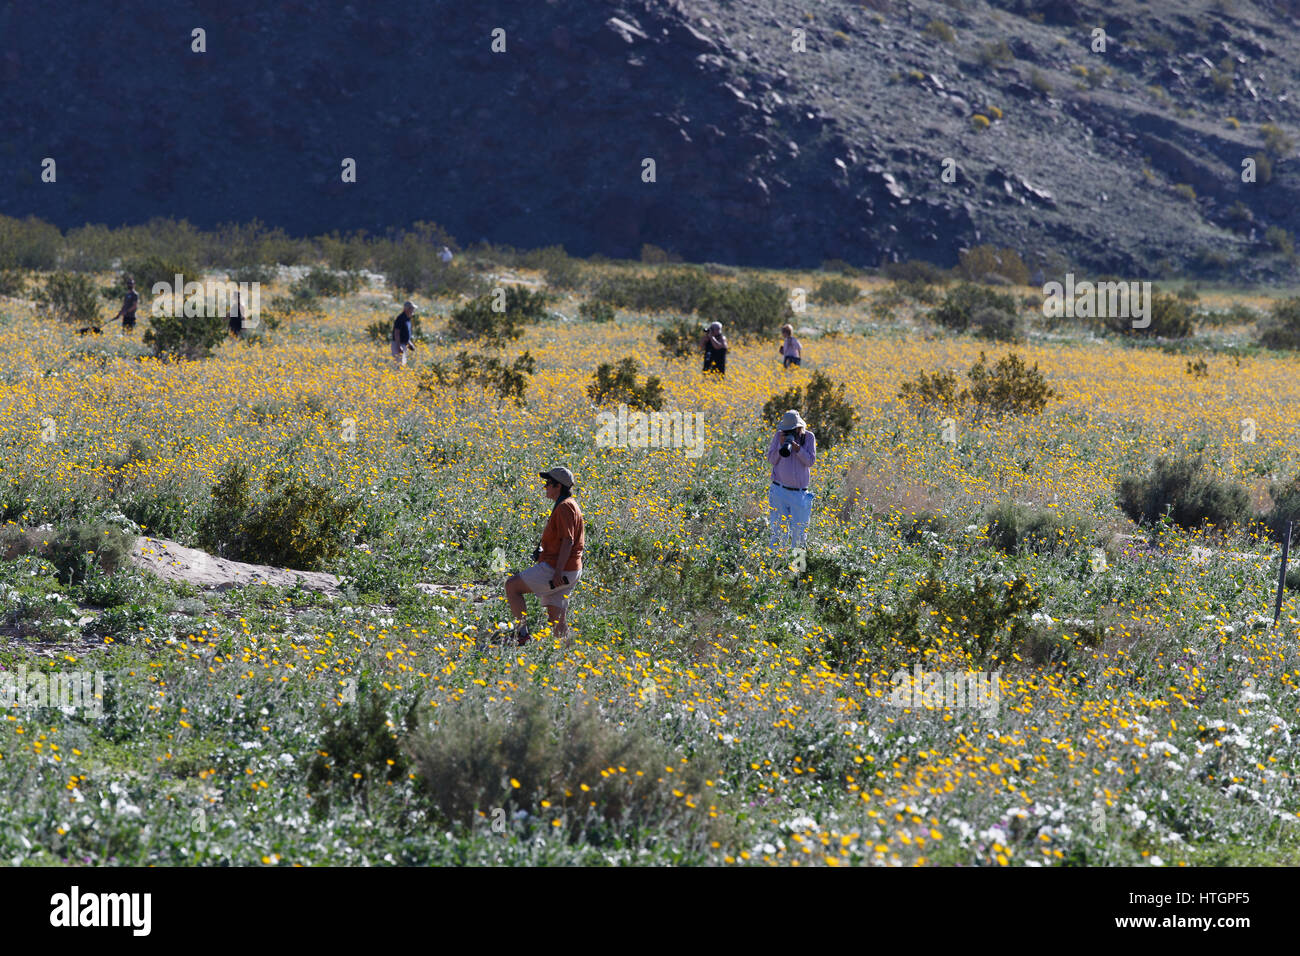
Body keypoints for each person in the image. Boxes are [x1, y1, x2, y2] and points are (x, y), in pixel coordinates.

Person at [501, 466, 585, 646]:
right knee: (557, 622)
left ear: (558, 487)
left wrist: (557, 571)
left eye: (548, 483)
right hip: (570, 571)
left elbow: (567, 541)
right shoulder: (569, 504)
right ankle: (565, 654)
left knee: (512, 586)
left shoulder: (564, 507)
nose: (545, 487)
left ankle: (522, 635)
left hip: (558, 569)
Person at [766, 409, 816, 548]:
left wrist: (798, 449)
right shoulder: (778, 436)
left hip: (799, 494)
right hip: (779, 491)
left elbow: (810, 461)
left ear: (799, 427)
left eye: (792, 430)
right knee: (777, 533)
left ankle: (798, 567)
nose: (789, 432)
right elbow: (771, 459)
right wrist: (781, 445)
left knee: (799, 535)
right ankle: (773, 566)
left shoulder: (809, 437)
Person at [392, 300, 415, 367]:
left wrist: (409, 343)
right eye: (412, 309)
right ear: (407, 309)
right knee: (399, 365)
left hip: (403, 344)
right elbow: (396, 333)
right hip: (398, 344)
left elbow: (405, 333)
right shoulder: (401, 318)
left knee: (403, 364)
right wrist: (399, 346)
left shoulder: (407, 319)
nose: (413, 311)